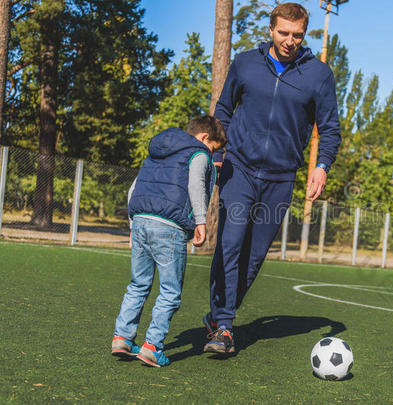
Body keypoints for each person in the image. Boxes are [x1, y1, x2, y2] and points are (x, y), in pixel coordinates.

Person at [203, 2, 341, 354]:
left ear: (304, 34)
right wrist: (218, 155)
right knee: (231, 242)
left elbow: (329, 130)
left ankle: (219, 316)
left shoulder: (319, 75)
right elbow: (223, 111)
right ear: (270, 30)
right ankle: (224, 326)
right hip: (239, 169)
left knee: (253, 257)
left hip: (281, 179)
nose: (290, 41)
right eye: (283, 33)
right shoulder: (246, 63)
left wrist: (321, 166)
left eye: (297, 35)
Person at [111, 116, 227, 367]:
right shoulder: (198, 153)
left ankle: (122, 337)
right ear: (205, 138)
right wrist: (200, 222)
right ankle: (152, 346)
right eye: (214, 149)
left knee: (138, 284)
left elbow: (134, 187)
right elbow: (196, 185)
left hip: (141, 219)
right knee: (170, 291)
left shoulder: (157, 150)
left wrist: (133, 224)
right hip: (170, 226)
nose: (213, 156)